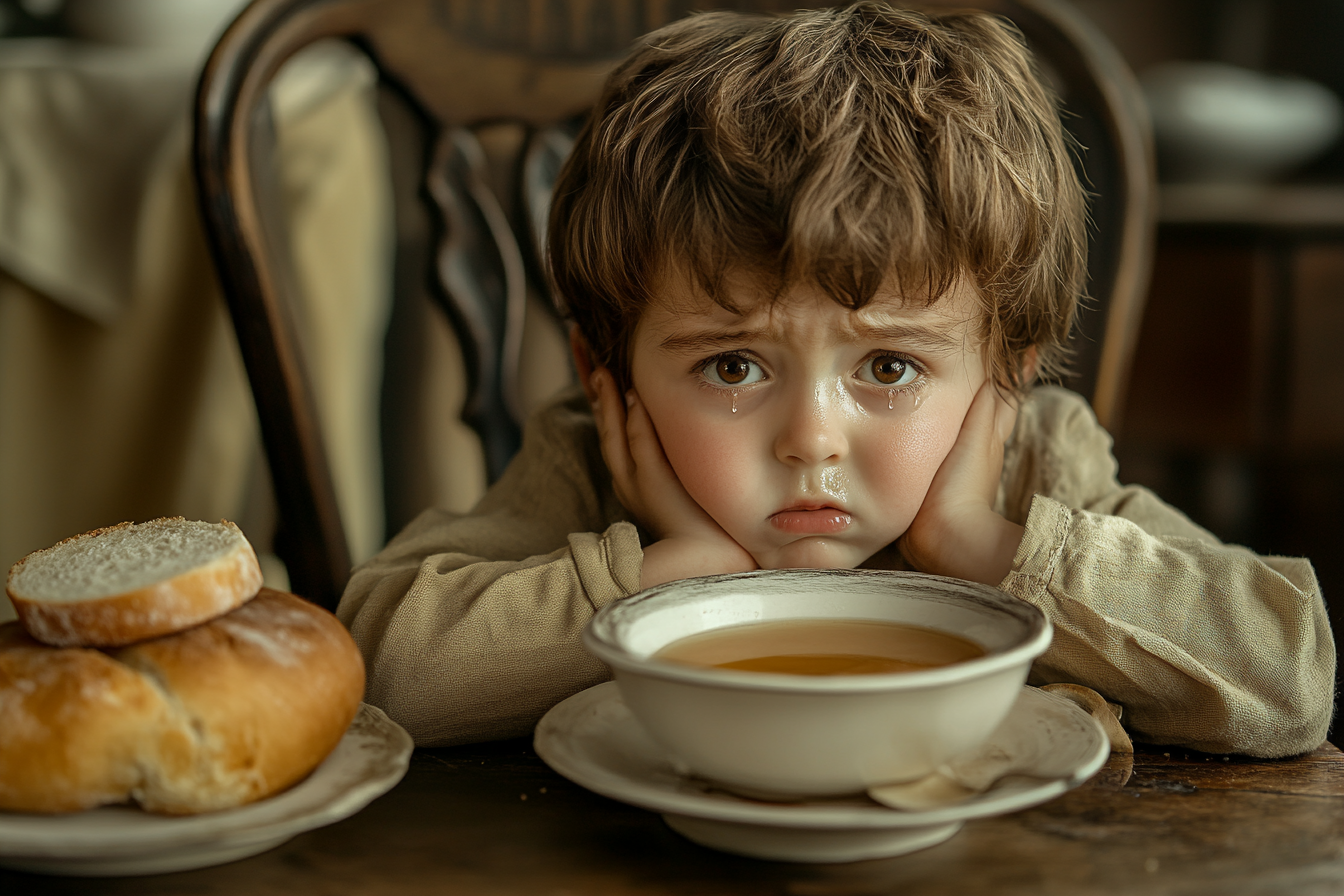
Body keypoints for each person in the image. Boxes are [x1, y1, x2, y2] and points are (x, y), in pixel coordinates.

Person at [337, 2, 1334, 756]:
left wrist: (987, 547)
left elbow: (1286, 673)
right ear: (612, 373)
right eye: (733, 365)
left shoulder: (1033, 461)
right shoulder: (595, 456)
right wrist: (676, 575)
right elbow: (381, 663)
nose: (810, 438)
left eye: (889, 366)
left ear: (1004, 372)